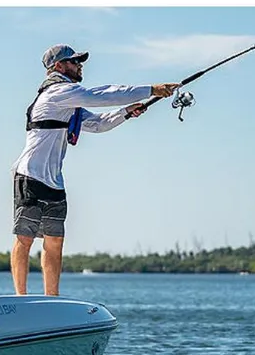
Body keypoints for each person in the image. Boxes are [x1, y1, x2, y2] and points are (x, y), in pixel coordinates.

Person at [10, 43, 180, 296]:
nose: (80, 66)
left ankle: (51, 300)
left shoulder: (70, 104)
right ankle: (20, 298)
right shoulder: (58, 93)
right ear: (58, 66)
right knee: (24, 239)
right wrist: (150, 90)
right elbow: (102, 95)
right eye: (74, 62)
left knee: (54, 242)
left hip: (54, 182)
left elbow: (98, 124)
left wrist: (125, 112)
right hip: (30, 175)